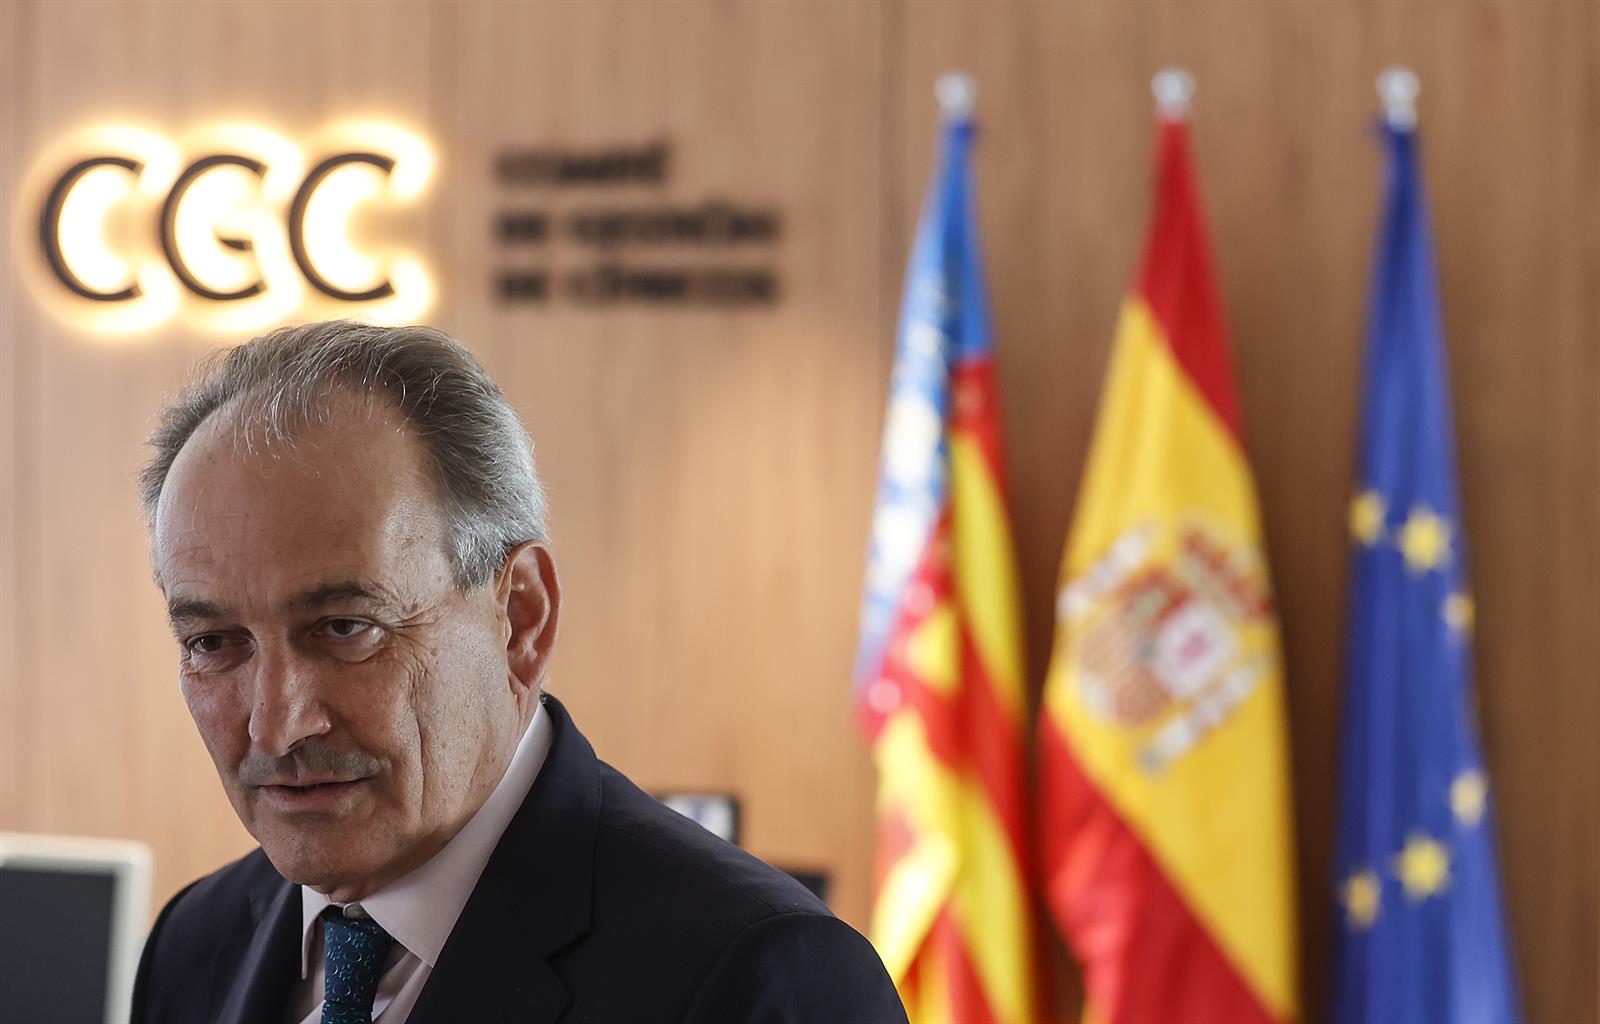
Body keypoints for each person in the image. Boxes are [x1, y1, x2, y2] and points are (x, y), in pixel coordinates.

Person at [129, 321, 907, 1024]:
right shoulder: (194, 942)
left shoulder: (766, 978)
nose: (276, 725)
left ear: (522, 618)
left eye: (345, 629)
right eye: (213, 642)